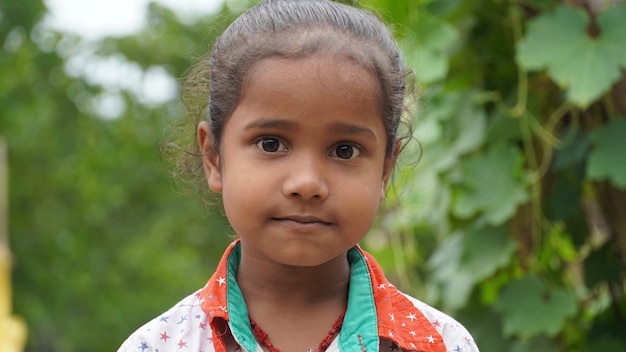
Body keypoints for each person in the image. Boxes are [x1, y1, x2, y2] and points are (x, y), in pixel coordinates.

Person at [118, 0, 479, 351]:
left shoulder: (441, 342)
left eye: (344, 150)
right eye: (271, 144)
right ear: (214, 157)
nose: (307, 183)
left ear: (385, 169)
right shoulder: (157, 345)